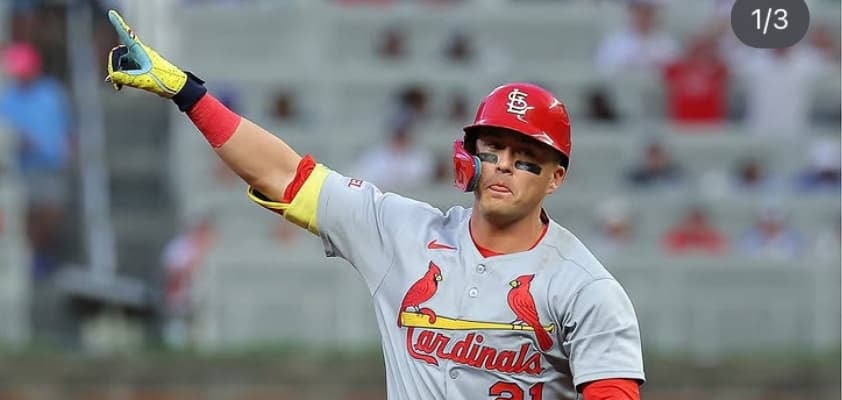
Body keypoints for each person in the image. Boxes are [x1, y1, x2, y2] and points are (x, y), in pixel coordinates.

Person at [104, 10, 644, 399]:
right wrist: (188, 94)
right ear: (470, 154)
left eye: (526, 158)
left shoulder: (584, 288)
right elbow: (285, 174)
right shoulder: (402, 234)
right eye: (493, 148)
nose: (503, 164)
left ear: (555, 179)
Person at [0, 42, 73, 280]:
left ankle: (42, 257)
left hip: (52, 165)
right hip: (23, 170)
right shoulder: (7, 99)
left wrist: (69, 150)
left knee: (52, 213)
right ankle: (33, 261)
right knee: (27, 216)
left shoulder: (52, 93)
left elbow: (66, 127)